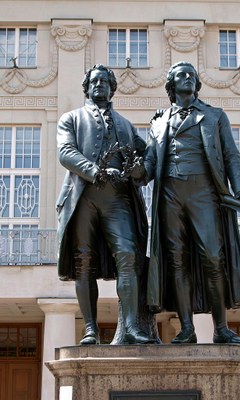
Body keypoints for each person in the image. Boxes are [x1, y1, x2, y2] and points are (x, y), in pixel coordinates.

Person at [142, 61, 240, 344]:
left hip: (204, 192)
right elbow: (149, 164)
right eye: (181, 75)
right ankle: (187, 329)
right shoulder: (159, 121)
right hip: (170, 194)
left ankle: (221, 328)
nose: (188, 78)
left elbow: (231, 156)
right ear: (171, 84)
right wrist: (133, 172)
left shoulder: (214, 116)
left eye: (192, 74)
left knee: (213, 258)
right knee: (177, 261)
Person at [56, 64, 154, 345]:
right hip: (82, 196)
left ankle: (133, 327)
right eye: (94, 81)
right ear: (87, 88)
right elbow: (65, 152)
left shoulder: (126, 125)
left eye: (104, 81)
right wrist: (95, 170)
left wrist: (140, 171)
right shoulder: (71, 118)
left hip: (118, 199)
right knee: (83, 262)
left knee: (129, 256)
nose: (99, 85)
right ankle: (90, 329)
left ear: (112, 88)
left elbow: (148, 156)